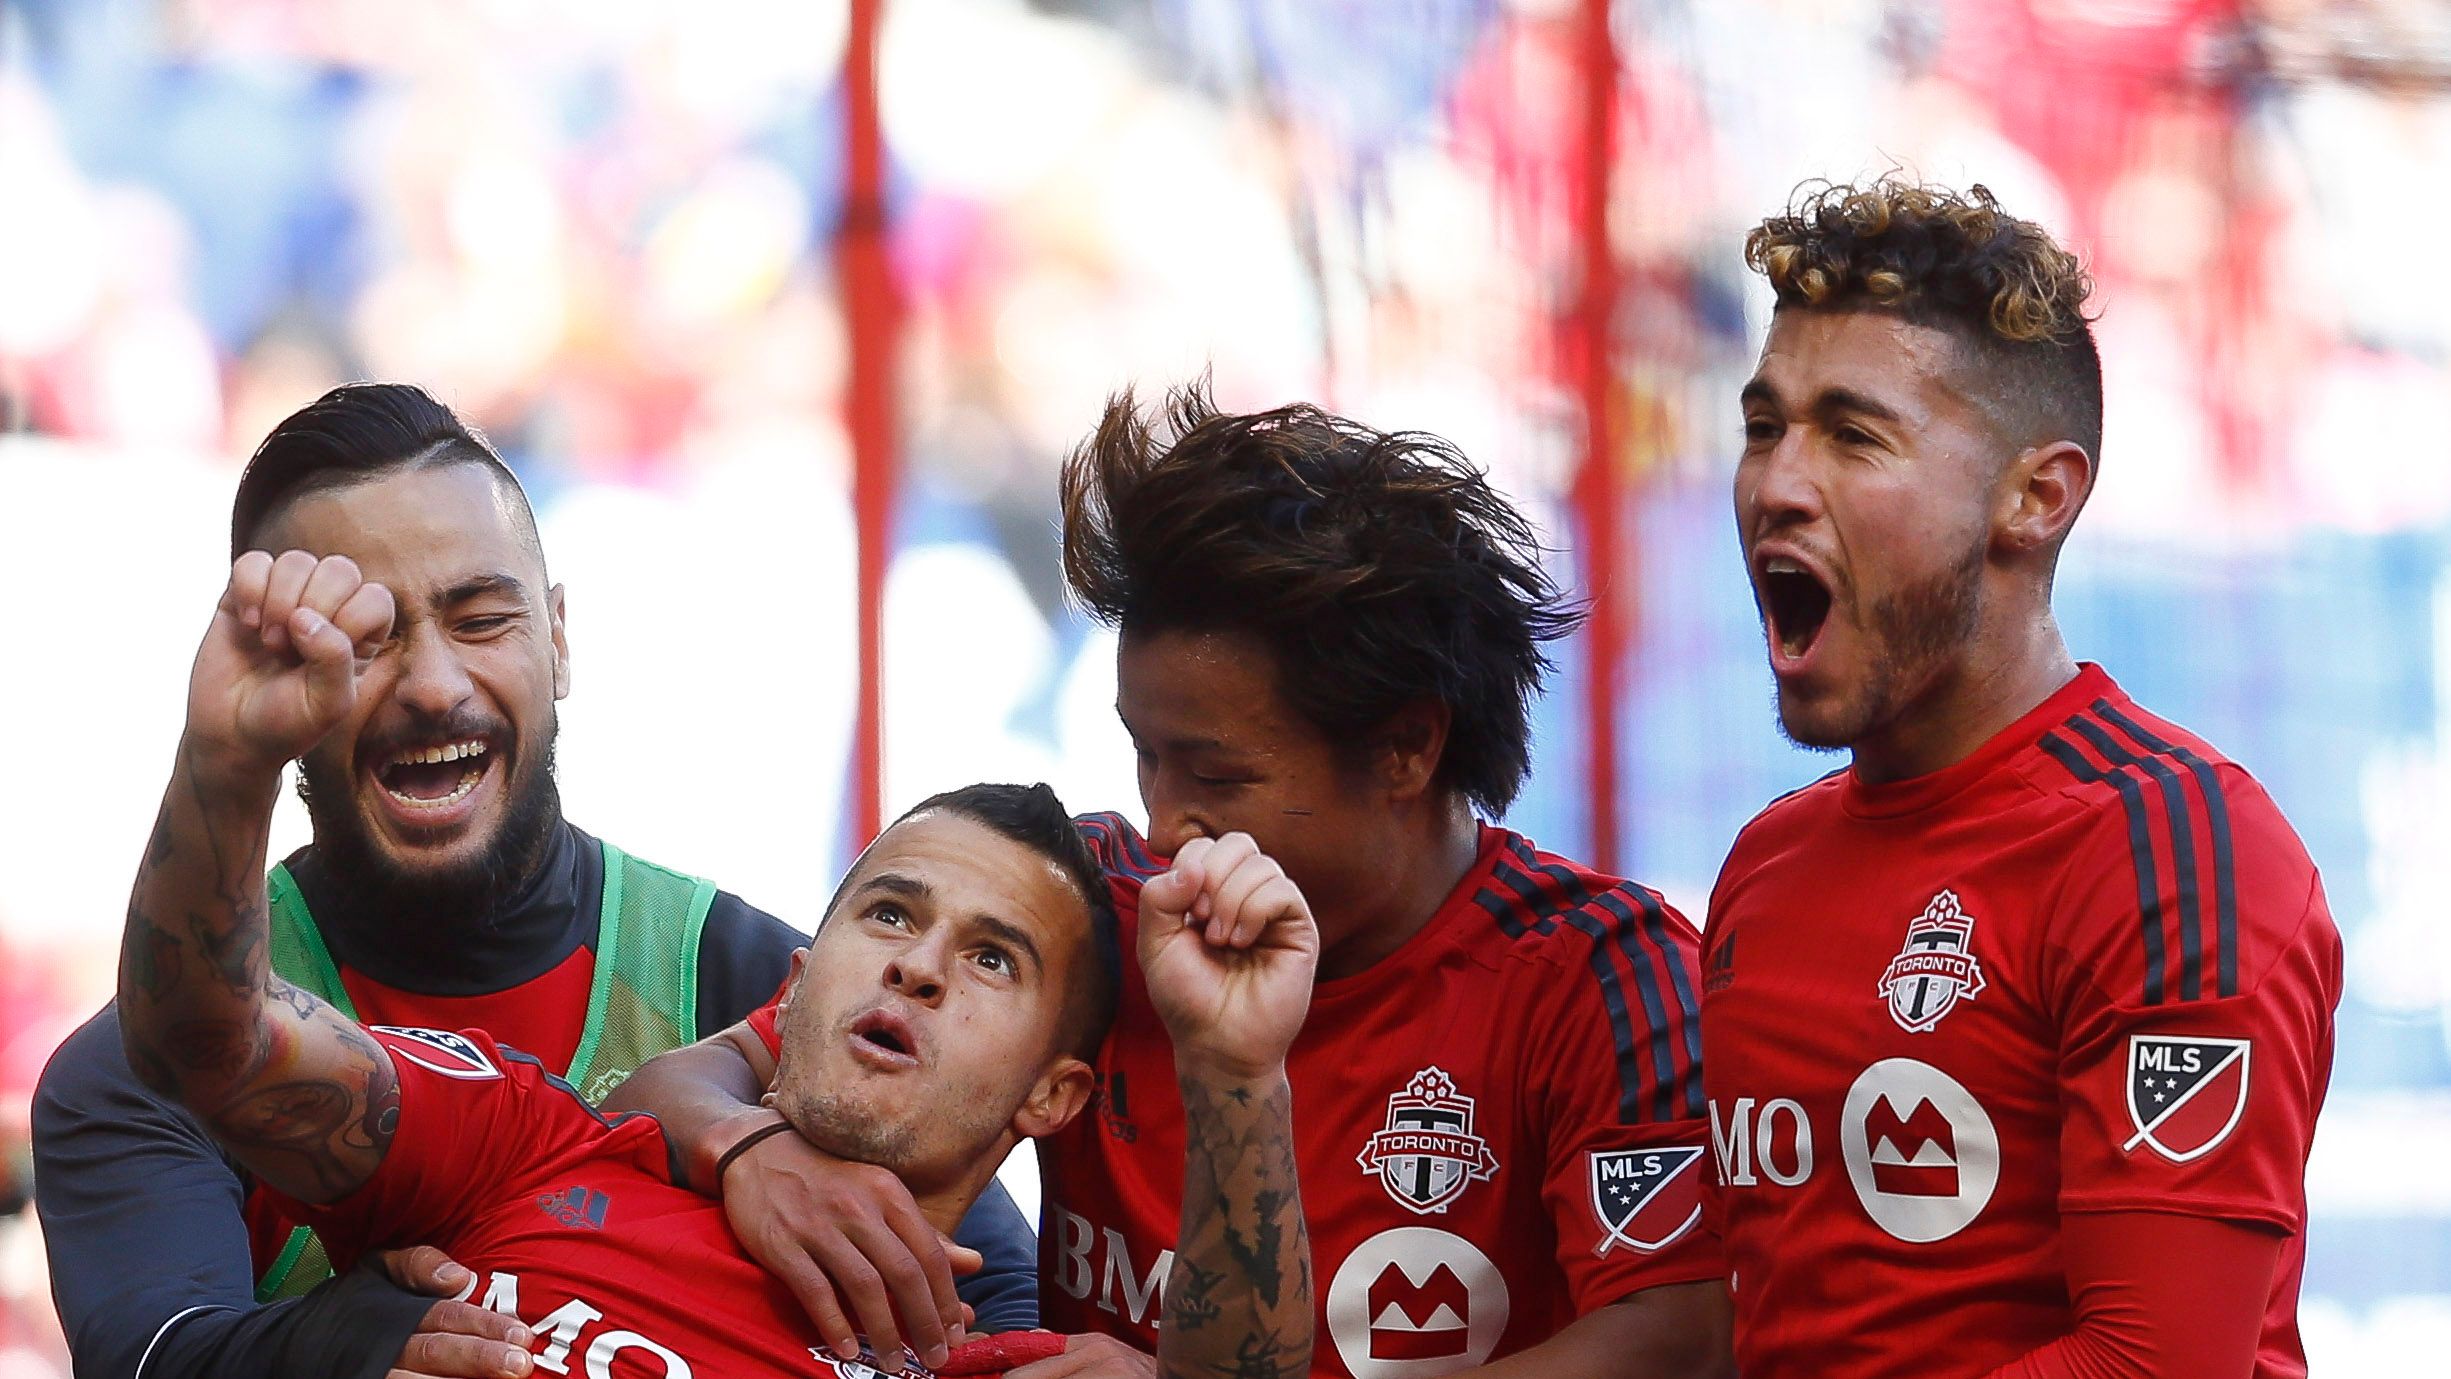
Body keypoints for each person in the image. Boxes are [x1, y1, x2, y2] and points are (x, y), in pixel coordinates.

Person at [612, 384, 1734, 1379]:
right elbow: (684, 1082)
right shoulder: (1080, 906)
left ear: (1406, 747)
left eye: (1216, 774)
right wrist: (748, 1149)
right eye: (1144, 754)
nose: (1161, 820)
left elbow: (1683, 1343)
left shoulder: (1600, 973)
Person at [112, 547, 1317, 1378]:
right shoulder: (534, 1143)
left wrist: (1236, 1069)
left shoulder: (1007, 1366)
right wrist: (228, 766)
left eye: (993, 958)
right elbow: (211, 1043)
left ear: (1054, 1094)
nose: (919, 965)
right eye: (888, 914)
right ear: (796, 980)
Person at [33, 384, 1033, 1379]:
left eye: (479, 618)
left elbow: (1011, 1314)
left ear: (557, 638)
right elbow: (148, 1356)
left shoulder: (767, 981)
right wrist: (342, 1337)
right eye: (365, 640)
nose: (434, 686)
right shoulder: (137, 1066)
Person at [1703, 178, 2343, 1378]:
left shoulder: (2168, 849)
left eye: (1853, 434)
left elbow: (2154, 1365)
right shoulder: (1765, 865)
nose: (1778, 483)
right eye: (1763, 427)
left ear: (2035, 498)